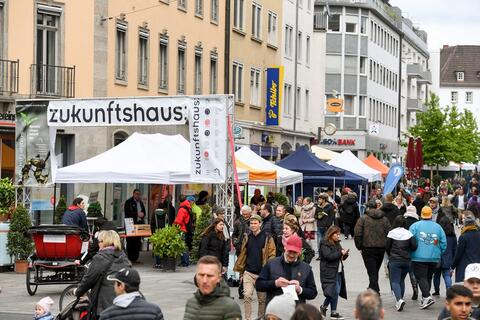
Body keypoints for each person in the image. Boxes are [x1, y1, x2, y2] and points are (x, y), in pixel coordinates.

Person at [75, 230, 131, 318]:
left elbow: (89, 279)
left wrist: (78, 291)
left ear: (105, 242)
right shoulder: (124, 258)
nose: (98, 244)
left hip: (104, 305)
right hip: (123, 303)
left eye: (99, 241)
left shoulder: (100, 258)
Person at [233, 214, 276, 320]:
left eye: (255, 223)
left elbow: (272, 255)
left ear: (260, 224)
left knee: (262, 299)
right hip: (248, 272)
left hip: (261, 274)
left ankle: (260, 318)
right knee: (247, 296)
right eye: (251, 223)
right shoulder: (247, 237)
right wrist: (242, 273)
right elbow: (243, 255)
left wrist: (268, 271)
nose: (253, 225)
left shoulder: (267, 237)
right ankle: (247, 318)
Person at [256, 233, 318, 305]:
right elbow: (258, 285)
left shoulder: (306, 268)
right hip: (275, 312)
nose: (291, 255)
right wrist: (275, 283)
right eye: (290, 251)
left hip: (296, 313)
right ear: (285, 248)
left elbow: (313, 293)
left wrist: (300, 289)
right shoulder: (271, 264)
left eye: (294, 252)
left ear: (300, 252)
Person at [409, 206, 447, 309]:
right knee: (428, 277)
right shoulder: (438, 227)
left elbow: (409, 241)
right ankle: (425, 298)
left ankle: (426, 296)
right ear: (431, 215)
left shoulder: (414, 226)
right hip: (433, 257)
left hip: (418, 257)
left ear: (421, 214)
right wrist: (439, 252)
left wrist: (410, 252)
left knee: (421, 277)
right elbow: (443, 243)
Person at [184, 255, 242, 320]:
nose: (204, 280)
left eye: (209, 276)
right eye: (201, 275)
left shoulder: (230, 307)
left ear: (219, 278)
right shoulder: (191, 303)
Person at [354, 200, 391, 294]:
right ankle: (372, 286)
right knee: (374, 270)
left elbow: (357, 234)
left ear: (367, 208)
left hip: (367, 248)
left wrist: (359, 246)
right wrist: (386, 245)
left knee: (372, 271)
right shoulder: (384, 219)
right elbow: (389, 233)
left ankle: (375, 290)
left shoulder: (363, 219)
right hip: (381, 248)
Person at [386, 216, 417, 311]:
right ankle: (400, 299)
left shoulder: (392, 233)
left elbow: (387, 246)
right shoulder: (408, 233)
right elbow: (414, 246)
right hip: (406, 260)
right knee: (401, 280)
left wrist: (391, 254)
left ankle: (399, 300)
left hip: (395, 260)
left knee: (395, 281)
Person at [319, 225, 349, 320]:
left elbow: (339, 257)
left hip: (338, 271)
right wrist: (340, 253)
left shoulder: (337, 243)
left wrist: (345, 255)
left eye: (339, 234)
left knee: (337, 291)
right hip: (329, 271)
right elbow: (328, 256)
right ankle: (328, 309)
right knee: (334, 291)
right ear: (331, 234)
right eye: (336, 234)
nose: (338, 236)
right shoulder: (324, 243)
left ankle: (331, 311)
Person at [452, 212, 480, 282]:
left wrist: (452, 266)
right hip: (478, 266)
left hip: (466, 267)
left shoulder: (463, 236)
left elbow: (458, 253)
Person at [433, 217, 457, 296]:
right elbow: (455, 249)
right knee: (447, 275)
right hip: (448, 258)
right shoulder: (453, 236)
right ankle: (449, 289)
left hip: (438, 258)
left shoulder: (437, 235)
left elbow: (434, 245)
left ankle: (436, 291)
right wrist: (454, 260)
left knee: (436, 276)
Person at [124, 189, 146, 263]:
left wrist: (143, 214)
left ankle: (135, 258)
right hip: (131, 225)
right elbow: (127, 212)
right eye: (137, 194)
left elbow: (144, 211)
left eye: (139, 194)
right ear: (133, 194)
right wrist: (137, 214)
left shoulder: (141, 203)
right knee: (131, 242)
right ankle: (130, 258)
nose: (138, 196)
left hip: (139, 224)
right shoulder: (129, 202)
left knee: (137, 242)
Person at [174, 195, 195, 267]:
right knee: (185, 245)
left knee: (182, 246)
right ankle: (185, 261)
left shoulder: (182, 209)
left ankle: (184, 262)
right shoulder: (188, 207)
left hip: (182, 229)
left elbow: (178, 221)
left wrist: (174, 224)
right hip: (187, 229)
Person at [315, 193, 335, 260]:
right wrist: (318, 216)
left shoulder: (329, 207)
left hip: (326, 227)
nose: (318, 200)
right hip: (319, 226)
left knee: (325, 241)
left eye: (320, 199)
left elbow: (332, 217)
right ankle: (320, 255)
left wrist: (328, 225)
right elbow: (315, 215)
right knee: (319, 241)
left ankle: (326, 254)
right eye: (319, 199)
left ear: (324, 200)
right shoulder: (318, 207)